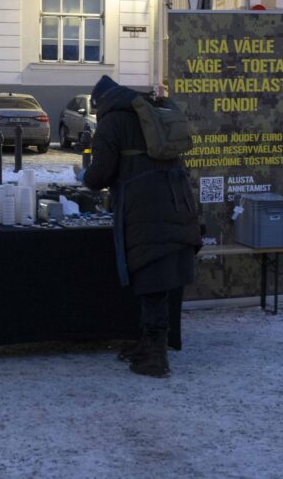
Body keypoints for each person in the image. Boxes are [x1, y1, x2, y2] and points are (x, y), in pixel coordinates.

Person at [81, 75, 201, 378]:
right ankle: (147, 344)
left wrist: (85, 178)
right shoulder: (148, 110)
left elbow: (100, 175)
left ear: (99, 103)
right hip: (177, 199)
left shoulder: (112, 122)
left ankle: (155, 358)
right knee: (159, 280)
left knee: (152, 282)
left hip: (145, 207)